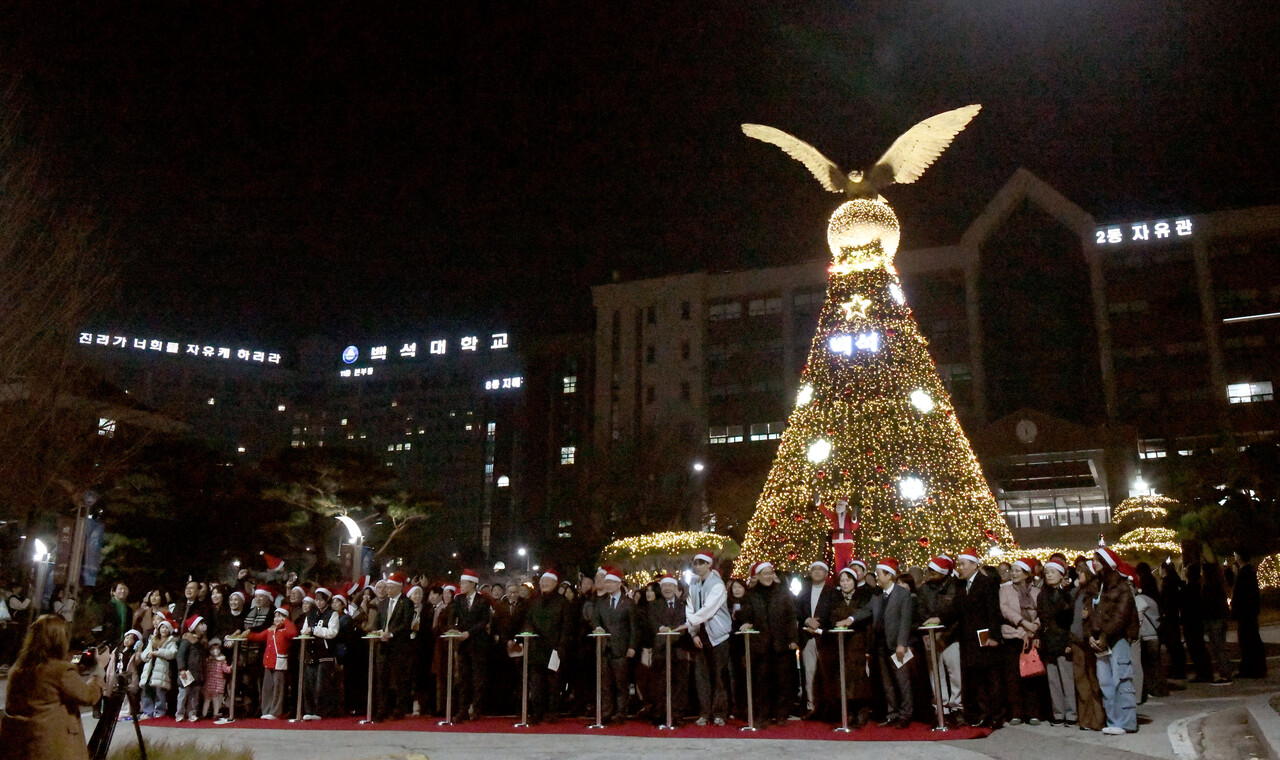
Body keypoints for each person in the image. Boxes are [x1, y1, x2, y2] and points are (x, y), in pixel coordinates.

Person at [0, 614, 106, 760]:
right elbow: (89, 696)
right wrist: (99, 671)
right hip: (54, 748)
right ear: (58, 639)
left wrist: (75, 669)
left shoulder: (18, 669)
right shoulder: (60, 671)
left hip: (24, 747)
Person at [736, 561, 798, 727]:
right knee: (761, 681)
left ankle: (781, 714)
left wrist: (793, 639)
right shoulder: (751, 595)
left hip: (781, 643)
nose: (768, 576)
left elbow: (791, 617)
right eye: (765, 573)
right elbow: (745, 614)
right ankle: (762, 714)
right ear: (757, 576)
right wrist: (747, 622)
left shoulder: (783, 592)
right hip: (761, 645)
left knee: (782, 680)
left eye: (770, 573)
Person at [1090, 547, 1139, 735]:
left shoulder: (1121, 584)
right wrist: (1092, 635)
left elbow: (1122, 615)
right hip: (1101, 640)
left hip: (1117, 639)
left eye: (1097, 560)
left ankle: (1126, 722)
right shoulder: (1098, 584)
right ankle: (1113, 721)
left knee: (1121, 678)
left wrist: (1105, 635)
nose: (1093, 563)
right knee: (1105, 682)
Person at [955, 548, 1004, 728]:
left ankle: (997, 715)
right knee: (977, 680)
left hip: (986, 639)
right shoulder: (961, 586)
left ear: (974, 565)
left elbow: (993, 611)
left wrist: (994, 636)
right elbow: (955, 611)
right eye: (959, 564)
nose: (960, 568)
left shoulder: (986, 582)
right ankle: (984, 713)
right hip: (969, 640)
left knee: (992, 679)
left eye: (963, 564)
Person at [683, 551, 732, 726]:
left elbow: (708, 609)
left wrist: (690, 623)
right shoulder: (694, 584)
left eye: (701, 563)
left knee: (719, 675)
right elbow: (690, 607)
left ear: (709, 565)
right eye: (695, 563)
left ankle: (719, 712)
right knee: (701, 677)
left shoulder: (717, 584)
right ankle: (704, 712)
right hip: (701, 634)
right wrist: (693, 632)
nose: (697, 566)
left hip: (718, 635)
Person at [590, 566, 637, 725]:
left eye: (611, 582)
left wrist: (632, 646)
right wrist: (597, 628)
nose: (607, 585)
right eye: (606, 582)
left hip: (622, 648)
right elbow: (595, 618)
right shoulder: (601, 602)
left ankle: (620, 713)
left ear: (618, 584)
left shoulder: (628, 603)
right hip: (604, 648)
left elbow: (634, 627)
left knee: (621, 683)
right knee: (605, 683)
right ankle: (606, 711)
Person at [829, 562, 873, 727]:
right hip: (841, 644)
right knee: (842, 679)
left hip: (857, 643)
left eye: (848, 580)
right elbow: (831, 617)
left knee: (858, 678)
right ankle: (847, 712)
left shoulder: (863, 598)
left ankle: (861, 709)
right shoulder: (835, 598)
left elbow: (865, 618)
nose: (845, 583)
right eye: (842, 581)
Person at [918, 556, 961, 723]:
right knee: (935, 673)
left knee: (954, 672)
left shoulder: (955, 587)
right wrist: (928, 628)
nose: (929, 574)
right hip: (930, 635)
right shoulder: (924, 589)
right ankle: (941, 706)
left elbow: (955, 612)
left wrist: (942, 628)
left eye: (933, 571)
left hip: (950, 635)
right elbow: (921, 610)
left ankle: (957, 705)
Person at [999, 557, 1041, 725]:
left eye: (1017, 571)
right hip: (1013, 636)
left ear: (1026, 574)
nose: (1013, 574)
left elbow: (1041, 612)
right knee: (1012, 676)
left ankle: (1033, 712)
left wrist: (1034, 626)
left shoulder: (1036, 592)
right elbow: (1004, 609)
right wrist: (1023, 623)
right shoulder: (1005, 590)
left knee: (1031, 674)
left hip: (1030, 637)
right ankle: (1016, 712)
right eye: (1013, 570)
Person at [524, 570, 570, 725]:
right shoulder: (535, 601)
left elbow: (566, 627)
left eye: (547, 581)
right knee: (536, 684)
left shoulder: (562, 602)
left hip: (554, 648)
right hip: (536, 648)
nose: (543, 584)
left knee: (553, 683)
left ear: (555, 583)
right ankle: (537, 712)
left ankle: (552, 712)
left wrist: (561, 646)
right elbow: (528, 620)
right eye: (542, 581)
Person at [795, 559, 838, 718]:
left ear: (826, 574)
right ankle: (811, 707)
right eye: (815, 569)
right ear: (810, 573)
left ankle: (828, 708)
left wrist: (820, 626)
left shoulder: (833, 592)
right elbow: (796, 611)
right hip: (807, 638)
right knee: (809, 673)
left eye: (821, 569)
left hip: (826, 638)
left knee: (827, 674)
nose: (818, 572)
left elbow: (835, 613)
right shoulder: (803, 592)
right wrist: (807, 620)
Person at [645, 574, 689, 726]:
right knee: (659, 684)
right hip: (661, 651)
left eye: (671, 586)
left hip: (679, 650)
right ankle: (660, 714)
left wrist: (672, 632)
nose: (668, 589)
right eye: (665, 587)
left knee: (679, 684)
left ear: (676, 588)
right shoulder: (653, 606)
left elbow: (684, 625)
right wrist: (664, 630)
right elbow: (652, 624)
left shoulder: (684, 606)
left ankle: (677, 715)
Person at [449, 569, 492, 721]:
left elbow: (484, 621)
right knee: (463, 678)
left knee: (478, 678)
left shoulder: (483, 600)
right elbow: (452, 616)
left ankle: (477, 708)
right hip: (462, 644)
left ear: (473, 584)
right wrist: (453, 630)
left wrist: (469, 633)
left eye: (464, 583)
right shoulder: (458, 599)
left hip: (478, 642)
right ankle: (462, 709)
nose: (461, 585)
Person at [1038, 558, 1077, 725]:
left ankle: (1071, 713)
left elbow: (1069, 618)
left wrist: (1069, 642)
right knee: (1053, 680)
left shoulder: (1068, 594)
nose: (1049, 575)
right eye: (1047, 572)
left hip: (1063, 640)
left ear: (1062, 575)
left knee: (1067, 679)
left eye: (1052, 572)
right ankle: (1058, 713)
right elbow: (1041, 617)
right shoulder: (1042, 594)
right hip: (1049, 641)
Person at [373, 572, 414, 721]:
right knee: (381, 679)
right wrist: (377, 632)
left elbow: (406, 624)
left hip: (399, 646)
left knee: (399, 679)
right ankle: (382, 709)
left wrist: (391, 634)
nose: (388, 590)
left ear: (398, 588)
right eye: (387, 587)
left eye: (390, 588)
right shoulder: (383, 603)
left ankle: (399, 708)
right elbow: (378, 622)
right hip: (383, 647)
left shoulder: (406, 603)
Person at [1070, 558, 1106, 731]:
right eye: (1077, 570)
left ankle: (1097, 719)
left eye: (1081, 570)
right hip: (1077, 640)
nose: (1078, 573)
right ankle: (1085, 719)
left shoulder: (1095, 591)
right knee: (1081, 682)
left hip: (1089, 641)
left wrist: (1089, 615)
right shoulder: (1077, 592)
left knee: (1094, 682)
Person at [244, 606, 298, 719]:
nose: (277, 618)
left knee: (278, 687)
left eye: (280, 616)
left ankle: (275, 711)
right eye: (276, 616)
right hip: (268, 662)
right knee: (267, 688)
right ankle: (266, 710)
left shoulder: (286, 630)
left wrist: (285, 621)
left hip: (279, 662)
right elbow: (259, 636)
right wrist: (247, 634)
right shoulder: (270, 630)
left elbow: (293, 633)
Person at [301, 586, 341, 719]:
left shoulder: (332, 614)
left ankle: (320, 711)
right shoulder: (311, 614)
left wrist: (315, 630)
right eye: (316, 600)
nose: (319, 603)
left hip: (325, 653)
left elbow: (332, 632)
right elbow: (304, 630)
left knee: (321, 685)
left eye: (321, 600)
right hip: (311, 652)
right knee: (309, 684)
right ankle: (309, 710)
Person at [1232, 551, 1266, 679]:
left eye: (1236, 554)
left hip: (1246, 613)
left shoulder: (1245, 573)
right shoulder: (1248, 572)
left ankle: (1250, 668)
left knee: (1248, 641)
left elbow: (1243, 595)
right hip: (1248, 613)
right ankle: (1255, 667)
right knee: (1252, 640)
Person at [139, 616, 179, 719]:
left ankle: (159, 711)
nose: (164, 630)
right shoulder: (152, 640)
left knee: (160, 692)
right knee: (147, 691)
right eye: (162, 627)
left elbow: (172, 653)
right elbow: (144, 653)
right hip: (149, 669)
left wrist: (158, 653)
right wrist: (147, 655)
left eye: (166, 628)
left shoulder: (171, 641)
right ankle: (148, 711)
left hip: (161, 671)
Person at [1201, 562, 1232, 685]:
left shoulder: (1209, 586)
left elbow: (1207, 604)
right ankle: (1225, 672)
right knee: (1220, 647)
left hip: (1214, 619)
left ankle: (1225, 674)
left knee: (1217, 647)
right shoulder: (1219, 584)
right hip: (1220, 618)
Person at [175, 615, 210, 721]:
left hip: (198, 673)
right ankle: (180, 713)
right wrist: (181, 669)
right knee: (183, 694)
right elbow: (180, 655)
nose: (203, 626)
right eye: (200, 624)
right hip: (187, 672)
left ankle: (192, 713)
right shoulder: (187, 641)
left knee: (195, 695)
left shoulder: (203, 641)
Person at [1157, 561, 1187, 685]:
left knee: (1172, 644)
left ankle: (1177, 669)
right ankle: (1178, 668)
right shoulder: (1174, 582)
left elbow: (1164, 600)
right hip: (1173, 615)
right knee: (1175, 644)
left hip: (1169, 617)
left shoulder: (1167, 583)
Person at [202, 638, 232, 718]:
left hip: (217, 684)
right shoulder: (208, 660)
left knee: (216, 700)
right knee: (207, 700)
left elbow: (225, 669)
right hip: (208, 684)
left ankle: (215, 713)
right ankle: (204, 713)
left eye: (217, 649)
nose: (215, 651)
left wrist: (230, 668)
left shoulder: (222, 660)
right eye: (212, 649)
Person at [99, 582, 131, 647]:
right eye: (120, 589)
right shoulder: (106, 607)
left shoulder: (129, 609)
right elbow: (101, 624)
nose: (123, 591)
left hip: (123, 642)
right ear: (113, 592)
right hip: (108, 641)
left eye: (125, 589)